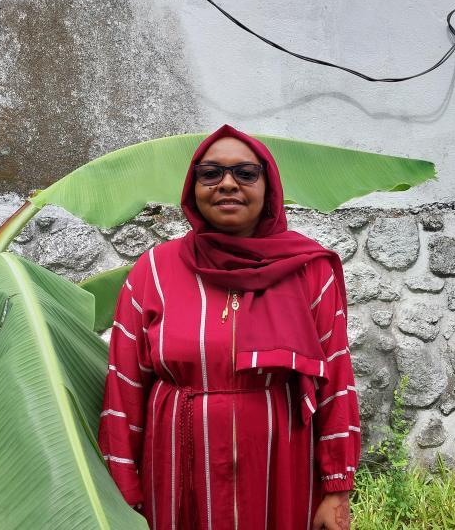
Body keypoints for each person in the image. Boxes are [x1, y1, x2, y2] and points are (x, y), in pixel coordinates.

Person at [98, 125, 360, 530]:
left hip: (279, 464)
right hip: (176, 466)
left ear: (267, 185)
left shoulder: (310, 270)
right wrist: (123, 488)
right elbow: (124, 388)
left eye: (245, 173)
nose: (227, 184)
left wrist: (337, 488)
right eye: (210, 173)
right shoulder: (154, 270)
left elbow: (336, 382)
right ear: (193, 187)